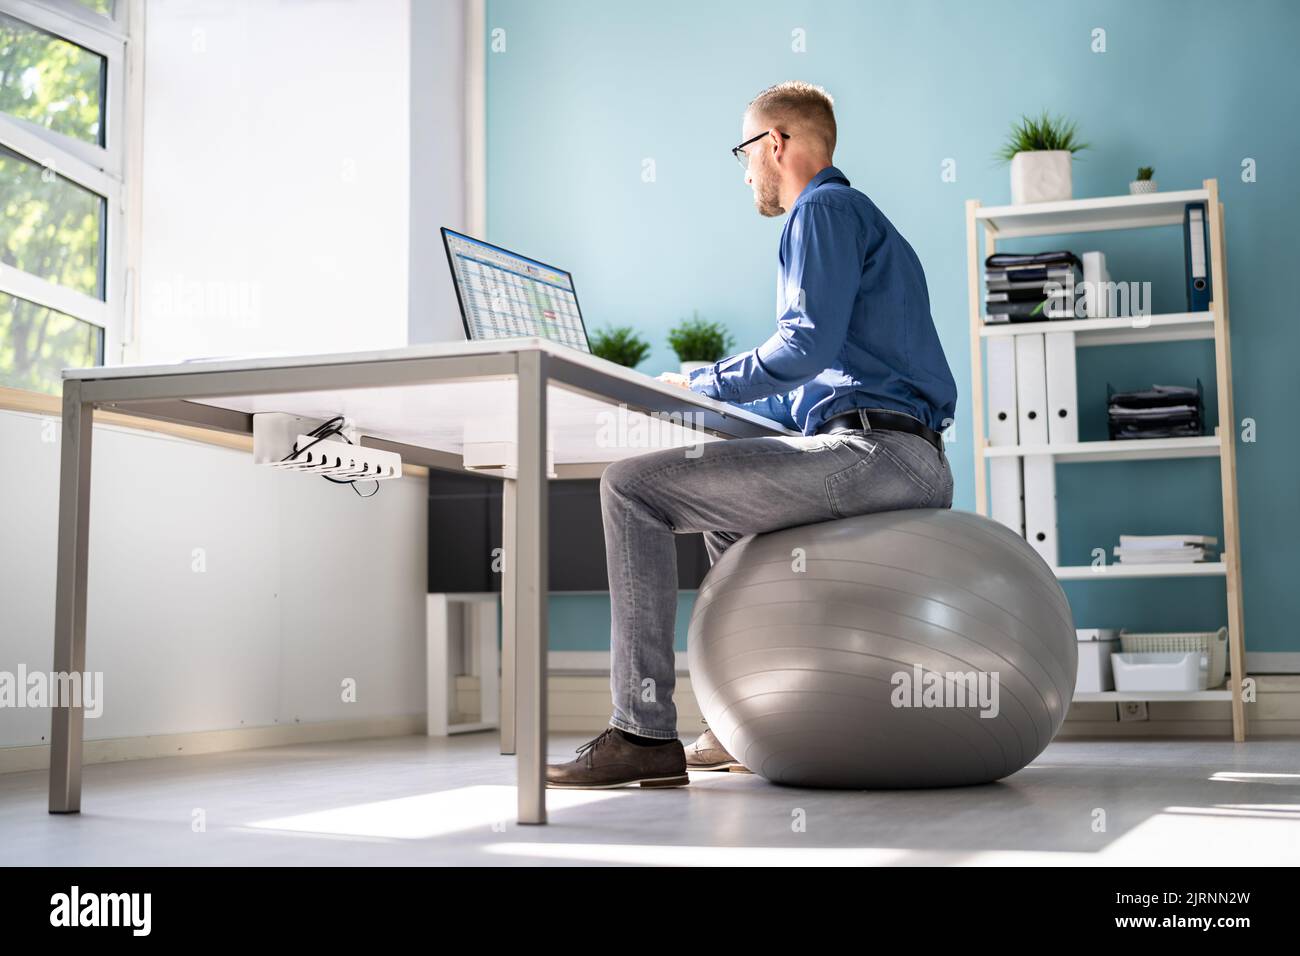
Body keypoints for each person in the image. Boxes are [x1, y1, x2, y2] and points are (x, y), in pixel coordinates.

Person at [547, 81, 958, 789]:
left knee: (628, 488)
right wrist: (717, 401)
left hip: (876, 454)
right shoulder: (859, 218)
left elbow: (802, 345)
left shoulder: (822, 208)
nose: (744, 173)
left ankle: (642, 732)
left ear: (777, 144)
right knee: (727, 522)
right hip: (904, 452)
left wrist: (700, 385)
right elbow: (820, 374)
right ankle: (747, 721)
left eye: (744, 152)